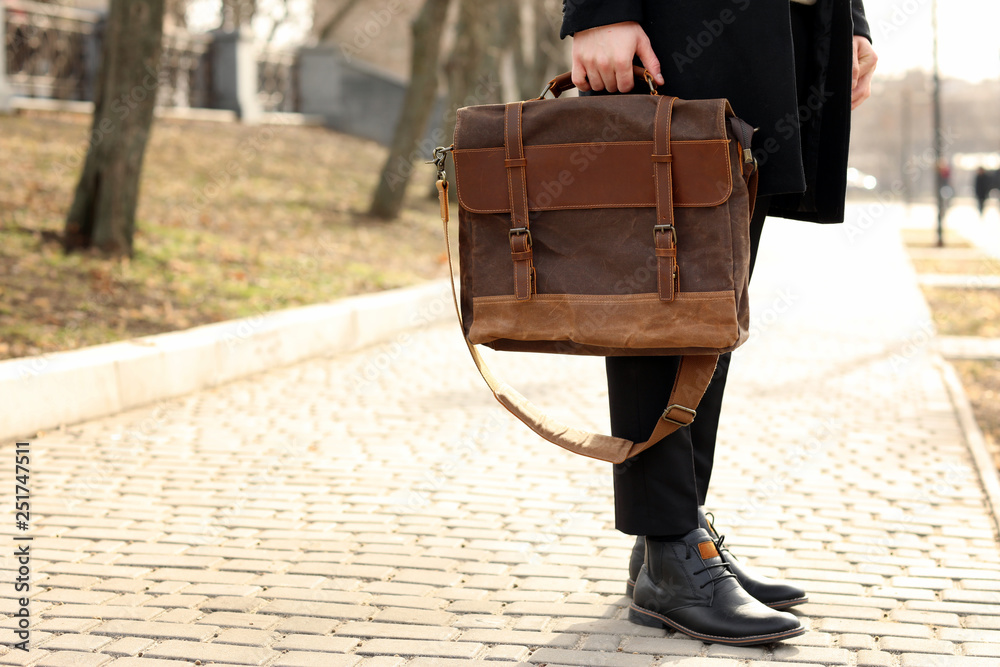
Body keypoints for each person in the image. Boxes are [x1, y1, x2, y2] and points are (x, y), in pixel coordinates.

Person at [560, 0, 877, 647]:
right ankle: (671, 547)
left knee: (712, 287)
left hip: (782, 27)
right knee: (665, 282)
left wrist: (852, 21)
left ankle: (674, 537)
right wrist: (599, 8)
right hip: (681, 19)